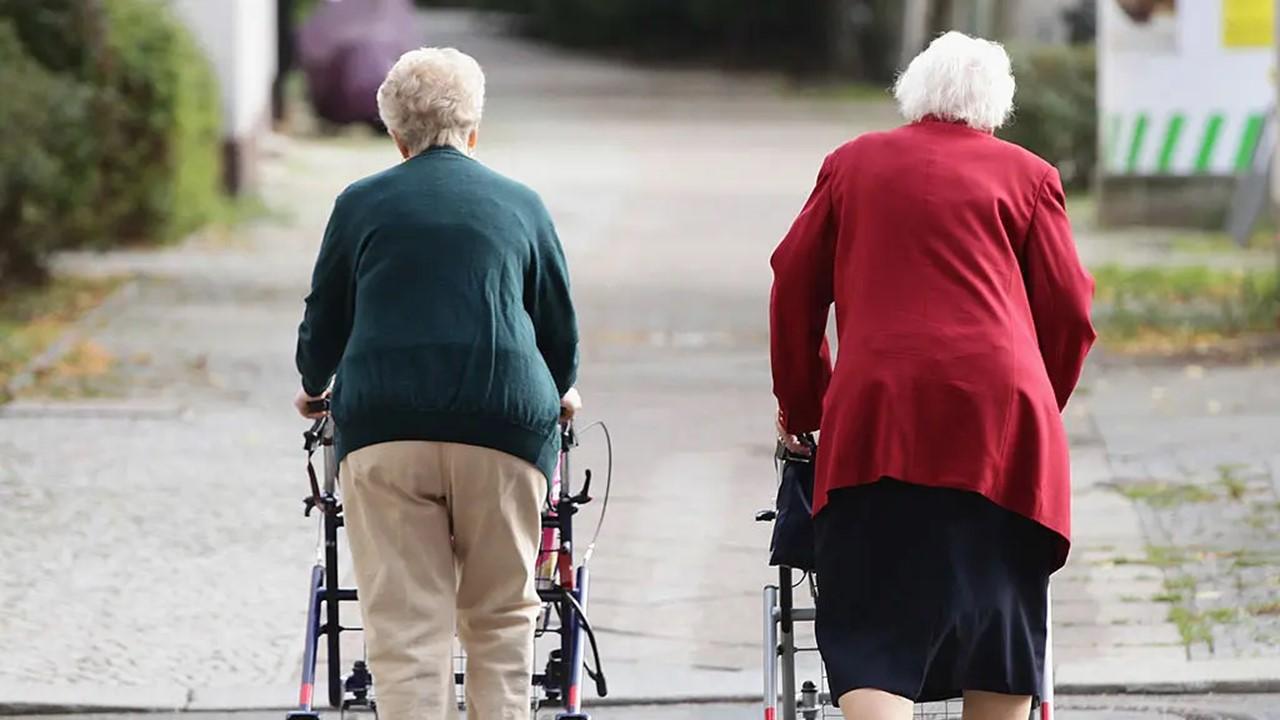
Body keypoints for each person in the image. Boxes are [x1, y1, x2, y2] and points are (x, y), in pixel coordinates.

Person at [769, 32, 1096, 720]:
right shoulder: (1030, 177)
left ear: (911, 94)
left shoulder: (851, 165)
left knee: (874, 628)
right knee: (1000, 631)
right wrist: (1037, 406)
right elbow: (1069, 314)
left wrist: (805, 402)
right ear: (995, 109)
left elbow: (794, 283)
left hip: (876, 418)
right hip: (1002, 427)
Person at [293, 47, 580, 720]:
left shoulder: (360, 204)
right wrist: (561, 386)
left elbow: (324, 319)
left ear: (396, 136)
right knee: (502, 619)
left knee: (405, 629)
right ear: (474, 130)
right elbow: (558, 330)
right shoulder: (522, 205)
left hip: (385, 426)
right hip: (506, 425)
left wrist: (313, 384)